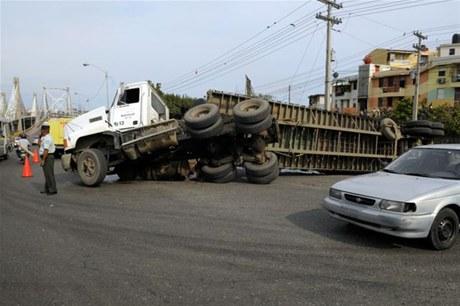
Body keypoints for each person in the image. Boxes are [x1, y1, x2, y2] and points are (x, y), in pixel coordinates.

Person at [39, 122, 57, 195]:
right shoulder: (44, 137)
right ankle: (47, 188)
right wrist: (40, 137)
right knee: (47, 174)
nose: (41, 131)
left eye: (42, 130)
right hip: (46, 156)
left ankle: (53, 190)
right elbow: (40, 145)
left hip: (48, 157)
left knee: (49, 174)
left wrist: (43, 160)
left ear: (45, 130)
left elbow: (46, 150)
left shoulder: (48, 138)